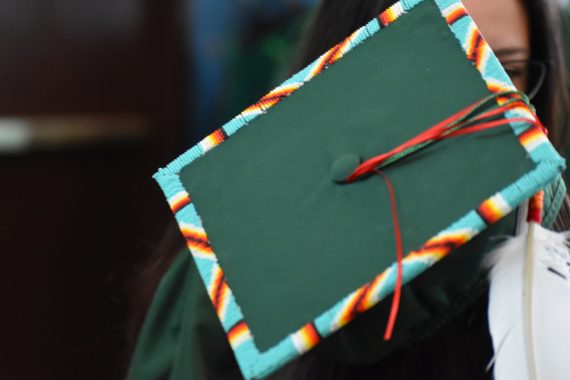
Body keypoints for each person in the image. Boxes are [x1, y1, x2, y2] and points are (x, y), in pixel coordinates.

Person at [127, 0, 570, 379]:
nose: (474, 112)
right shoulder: (223, 264)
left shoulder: (552, 255)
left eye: (507, 70)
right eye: (442, 73)